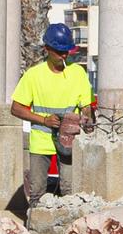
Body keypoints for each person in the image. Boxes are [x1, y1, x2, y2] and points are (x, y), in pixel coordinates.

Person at [9, 22, 95, 206]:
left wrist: (87, 118)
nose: (64, 56)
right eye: (59, 51)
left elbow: (87, 106)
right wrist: (44, 120)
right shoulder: (34, 75)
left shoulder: (77, 73)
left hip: (69, 141)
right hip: (41, 141)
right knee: (37, 193)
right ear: (47, 49)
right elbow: (16, 108)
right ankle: (34, 228)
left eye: (66, 52)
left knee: (70, 192)